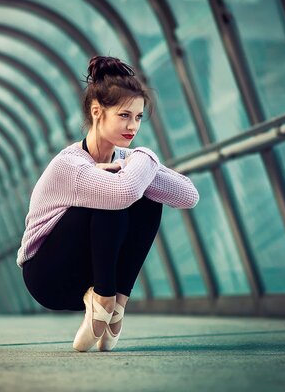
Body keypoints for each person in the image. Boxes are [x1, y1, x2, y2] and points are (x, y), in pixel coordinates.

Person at [16, 56, 199, 352]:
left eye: (139, 117)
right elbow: (122, 193)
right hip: (47, 276)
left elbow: (188, 195)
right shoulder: (69, 165)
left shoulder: (128, 159)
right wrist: (142, 164)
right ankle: (102, 298)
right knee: (113, 195)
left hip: (89, 271)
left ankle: (116, 304)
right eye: (124, 115)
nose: (133, 126)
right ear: (97, 112)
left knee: (149, 201)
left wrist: (143, 156)